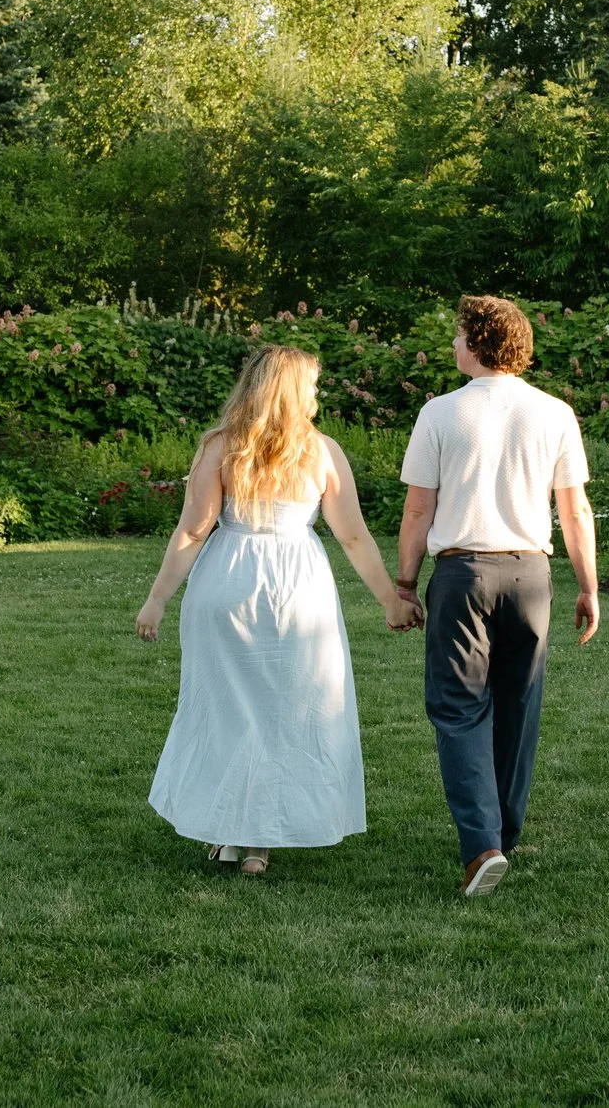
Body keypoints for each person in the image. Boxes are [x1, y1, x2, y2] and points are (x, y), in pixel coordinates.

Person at [136, 345, 423, 875]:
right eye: (312, 385)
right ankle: (258, 843)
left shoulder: (220, 446)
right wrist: (390, 598)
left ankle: (227, 833)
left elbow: (194, 529)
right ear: (292, 391)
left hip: (227, 581)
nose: (317, 394)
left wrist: (158, 599)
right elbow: (354, 536)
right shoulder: (321, 452)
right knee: (286, 712)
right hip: (298, 590)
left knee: (223, 709)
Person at [396, 295, 599, 898]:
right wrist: (588, 585)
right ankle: (504, 834)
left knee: (459, 709)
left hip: (463, 575)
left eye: (458, 335)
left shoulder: (440, 413)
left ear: (479, 341)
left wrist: (405, 584)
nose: (452, 345)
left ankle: (482, 846)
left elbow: (418, 507)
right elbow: (574, 508)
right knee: (518, 706)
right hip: (532, 576)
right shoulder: (556, 413)